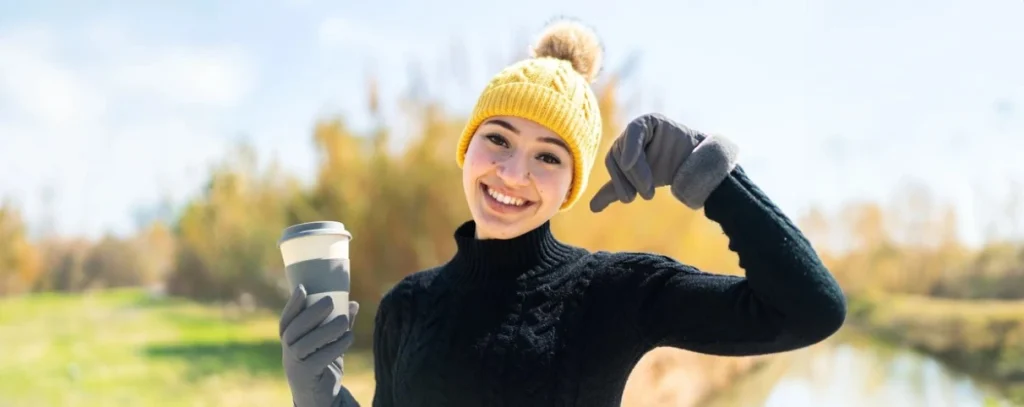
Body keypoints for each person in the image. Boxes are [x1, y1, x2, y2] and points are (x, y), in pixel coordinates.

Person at [278, 18, 847, 407]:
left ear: (571, 183)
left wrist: (711, 176)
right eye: (498, 139)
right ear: (468, 146)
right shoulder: (408, 304)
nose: (513, 173)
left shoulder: (614, 292)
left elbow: (810, 310)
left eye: (547, 156)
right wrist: (319, 395)